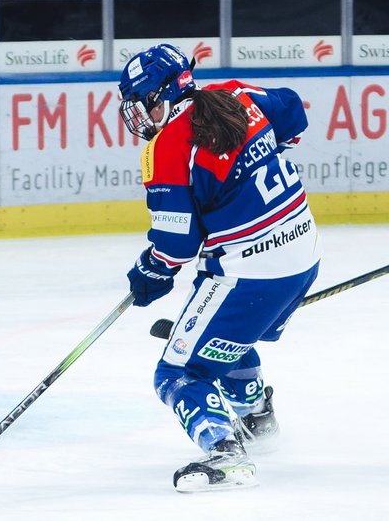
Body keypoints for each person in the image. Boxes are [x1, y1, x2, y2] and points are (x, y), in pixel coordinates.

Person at [117, 44, 322, 492]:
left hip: (250, 275)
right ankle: (257, 420)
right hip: (304, 256)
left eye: (139, 102)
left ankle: (225, 454)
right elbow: (292, 111)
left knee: (177, 373)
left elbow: (176, 245)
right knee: (229, 338)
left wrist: (149, 271)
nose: (137, 115)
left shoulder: (167, 147)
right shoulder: (237, 94)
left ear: (160, 97)